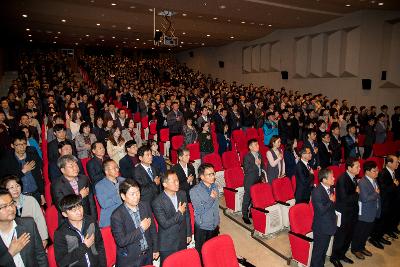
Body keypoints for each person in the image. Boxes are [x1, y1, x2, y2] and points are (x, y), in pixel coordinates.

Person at [110, 179, 159, 267]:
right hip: (130, 260)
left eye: (138, 192)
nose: (137, 196)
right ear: (123, 196)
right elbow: (121, 241)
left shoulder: (145, 206)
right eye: (132, 194)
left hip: (147, 255)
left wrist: (155, 248)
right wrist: (141, 229)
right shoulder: (116, 215)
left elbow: (152, 229)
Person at [54, 194, 107, 267]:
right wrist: (84, 246)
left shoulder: (91, 221)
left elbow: (100, 246)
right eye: (74, 210)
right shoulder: (60, 233)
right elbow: (62, 262)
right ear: (65, 214)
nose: (79, 212)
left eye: (80, 207)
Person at [0, 188, 48, 267]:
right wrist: (10, 254)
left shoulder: (28, 224)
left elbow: (40, 256)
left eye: (12, 203)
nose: (11, 208)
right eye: (4, 206)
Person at [152, 170, 192, 264]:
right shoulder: (157, 202)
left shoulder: (182, 194)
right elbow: (165, 224)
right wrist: (179, 213)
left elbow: (187, 215)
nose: (177, 183)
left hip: (182, 238)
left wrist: (188, 233)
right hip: (168, 243)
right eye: (174, 181)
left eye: (177, 180)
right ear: (165, 184)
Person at [2, 175, 48, 248]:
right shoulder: (3, 206)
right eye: (11, 187)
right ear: (5, 190)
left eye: (17, 186)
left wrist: (43, 238)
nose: (16, 189)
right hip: (12, 243)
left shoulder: (30, 200)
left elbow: (40, 220)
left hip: (33, 238)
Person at [330, 158, 360, 266]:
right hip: (344, 213)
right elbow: (344, 198)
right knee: (341, 236)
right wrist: (357, 194)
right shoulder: (342, 179)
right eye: (357, 167)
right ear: (349, 168)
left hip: (352, 212)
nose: (359, 168)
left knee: (349, 235)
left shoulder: (353, 177)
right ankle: (334, 257)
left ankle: (342, 254)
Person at [0, 132, 44, 205]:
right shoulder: (6, 161)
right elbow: (5, 181)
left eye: (24, 144)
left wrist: (42, 194)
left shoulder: (33, 156)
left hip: (35, 194)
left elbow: (39, 176)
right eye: (18, 145)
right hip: (18, 196)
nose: (22, 147)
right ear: (12, 145)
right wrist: (23, 171)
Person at [51, 155, 98, 222]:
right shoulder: (57, 185)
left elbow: (91, 202)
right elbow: (62, 206)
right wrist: (80, 196)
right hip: (69, 221)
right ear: (63, 170)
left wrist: (94, 219)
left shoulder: (84, 179)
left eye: (76, 165)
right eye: (71, 166)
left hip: (87, 217)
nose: (75, 168)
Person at [351, 161, 381, 260]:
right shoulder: (363, 182)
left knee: (366, 232)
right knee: (360, 232)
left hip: (372, 211)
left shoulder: (374, 180)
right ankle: (355, 249)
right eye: (374, 171)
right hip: (365, 213)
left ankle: (362, 247)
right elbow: (365, 198)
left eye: (377, 170)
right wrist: (376, 194)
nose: (377, 172)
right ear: (367, 171)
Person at [190, 163, 220, 255]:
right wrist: (211, 198)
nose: (213, 176)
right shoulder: (194, 191)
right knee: (202, 254)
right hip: (203, 228)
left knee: (212, 252)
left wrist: (217, 220)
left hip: (214, 225)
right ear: (202, 177)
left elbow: (216, 206)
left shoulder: (214, 186)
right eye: (209, 174)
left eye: (213, 174)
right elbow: (199, 210)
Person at [310, 168, 337, 267]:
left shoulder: (330, 188)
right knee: (318, 251)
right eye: (331, 177)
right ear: (324, 180)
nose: (334, 178)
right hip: (321, 227)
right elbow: (320, 211)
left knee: (324, 250)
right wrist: (331, 201)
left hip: (329, 224)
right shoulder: (317, 192)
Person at [374, 155, 399, 241]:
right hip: (385, 202)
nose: (398, 164)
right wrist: (394, 185)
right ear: (389, 163)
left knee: (389, 218)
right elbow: (383, 189)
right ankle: (376, 238)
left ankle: (386, 232)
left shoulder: (394, 172)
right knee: (382, 220)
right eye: (396, 162)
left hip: (392, 200)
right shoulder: (383, 173)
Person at [242, 139, 266, 224]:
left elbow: (262, 166)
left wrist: (262, 176)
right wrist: (255, 164)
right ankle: (244, 215)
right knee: (247, 198)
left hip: (258, 179)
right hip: (250, 180)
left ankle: (252, 212)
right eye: (255, 145)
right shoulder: (247, 156)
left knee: (255, 198)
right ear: (250, 147)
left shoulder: (259, 154)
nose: (258, 146)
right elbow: (247, 170)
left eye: (258, 144)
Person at [95, 159, 125, 227]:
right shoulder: (100, 185)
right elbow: (104, 204)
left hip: (126, 213)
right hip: (111, 216)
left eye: (117, 167)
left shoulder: (123, 180)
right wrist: (120, 195)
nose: (117, 170)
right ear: (106, 171)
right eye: (114, 168)